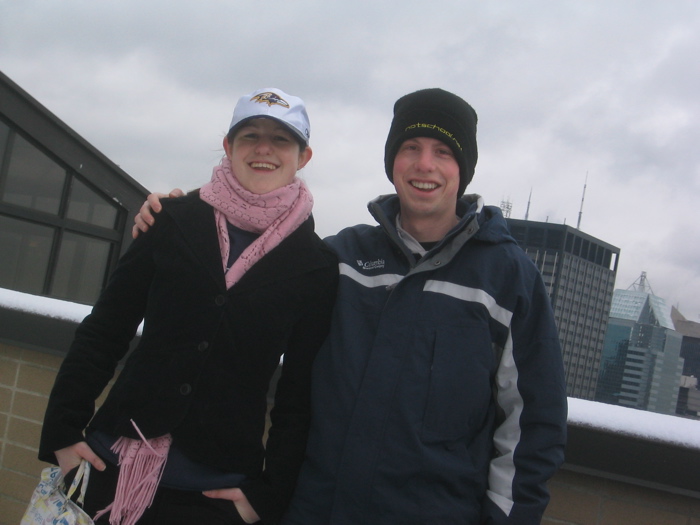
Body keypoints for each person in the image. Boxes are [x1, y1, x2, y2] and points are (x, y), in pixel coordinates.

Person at [135, 88, 568, 524]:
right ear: (391, 161)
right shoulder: (341, 257)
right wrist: (174, 216)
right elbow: (235, 294)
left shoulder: (508, 279)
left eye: (443, 152)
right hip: (313, 510)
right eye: (410, 148)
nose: (424, 164)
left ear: (464, 170)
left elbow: (531, 427)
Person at [39, 87, 338, 525]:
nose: (263, 149)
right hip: (108, 469)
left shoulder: (314, 265)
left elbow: (299, 395)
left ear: (303, 156)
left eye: (281, 140)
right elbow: (104, 331)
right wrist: (63, 433)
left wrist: (267, 496)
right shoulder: (171, 219)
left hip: (213, 495)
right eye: (249, 135)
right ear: (228, 146)